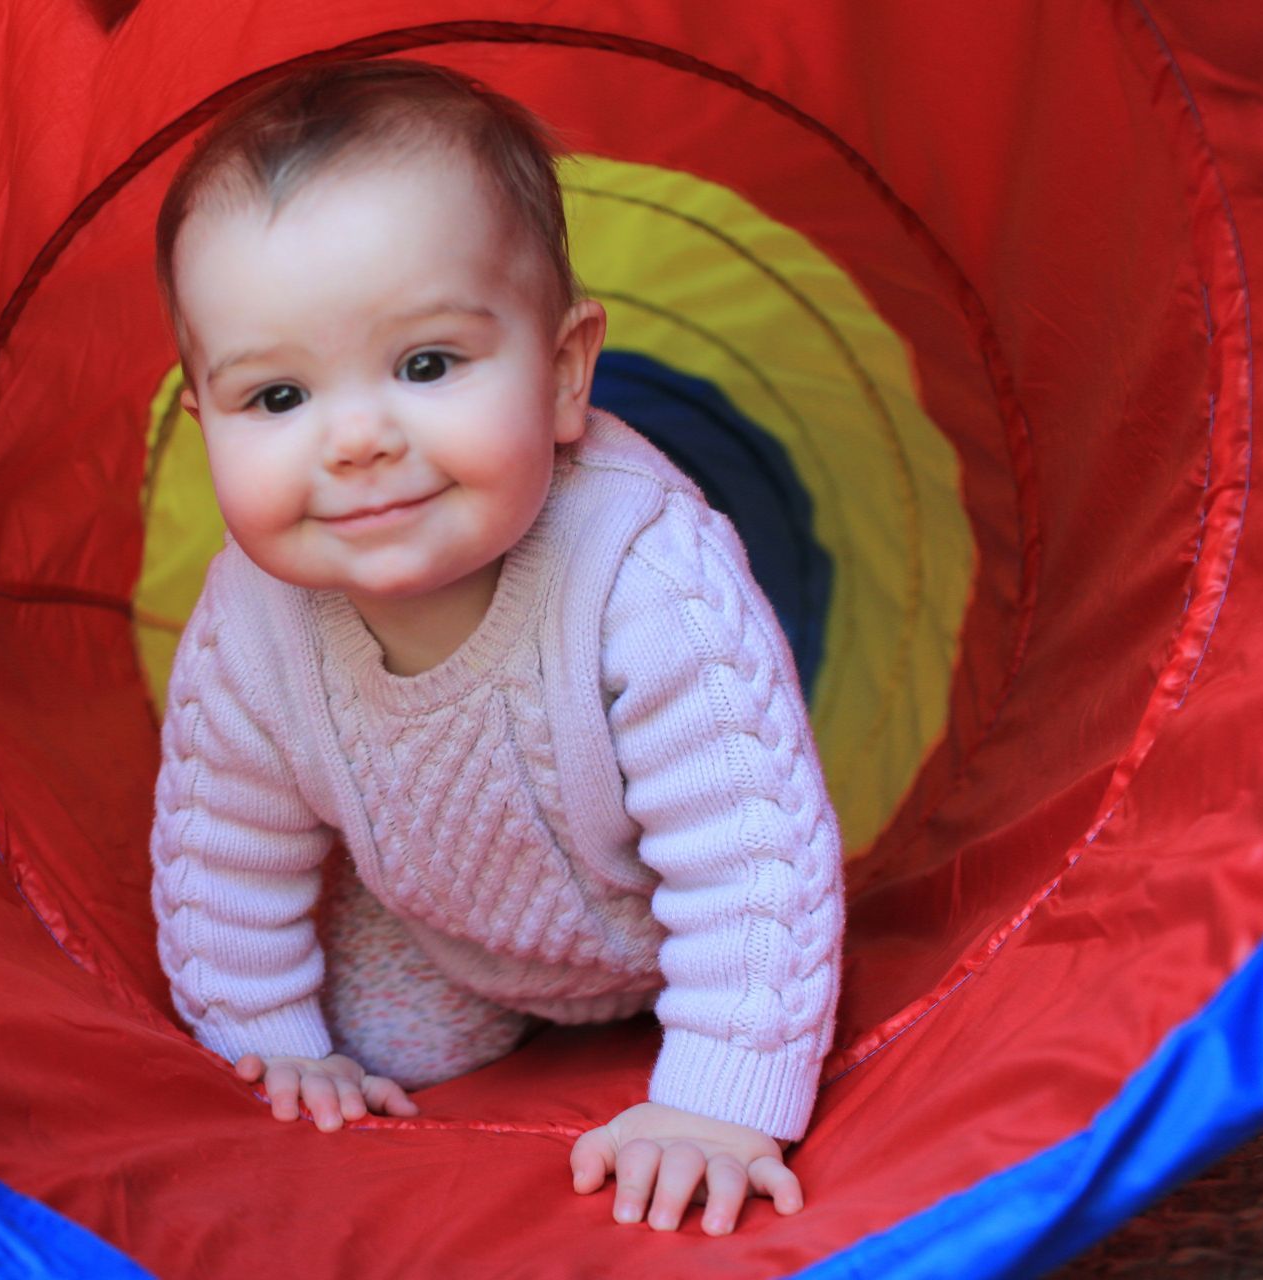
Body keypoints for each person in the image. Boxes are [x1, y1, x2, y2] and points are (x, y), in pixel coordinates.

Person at [148, 58, 843, 1237]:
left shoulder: (645, 573)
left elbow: (752, 854)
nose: (357, 438)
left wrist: (721, 1098)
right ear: (200, 412)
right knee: (332, 1094)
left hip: (675, 927)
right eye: (276, 398)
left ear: (565, 372)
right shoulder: (250, 622)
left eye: (426, 365)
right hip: (441, 934)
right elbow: (228, 845)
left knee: (783, 1012)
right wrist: (269, 1043)